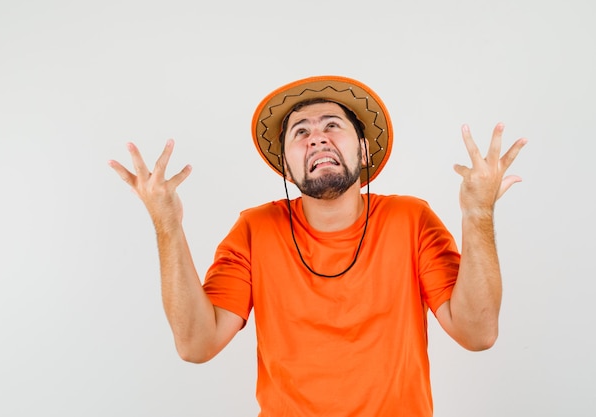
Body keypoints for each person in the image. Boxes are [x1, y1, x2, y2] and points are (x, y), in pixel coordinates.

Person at [108, 75, 527, 416]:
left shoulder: (410, 220)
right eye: (301, 132)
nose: (317, 138)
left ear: (363, 149)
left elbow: (478, 333)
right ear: (287, 165)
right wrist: (167, 225)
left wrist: (478, 215)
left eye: (332, 125)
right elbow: (196, 345)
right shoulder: (256, 229)